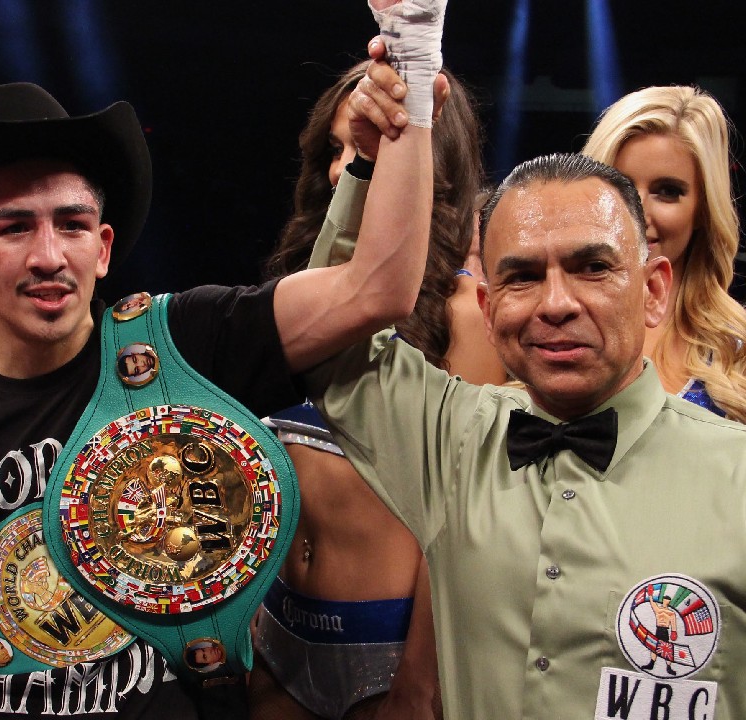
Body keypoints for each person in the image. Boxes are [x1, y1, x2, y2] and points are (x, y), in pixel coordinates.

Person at [0, 3, 447, 716]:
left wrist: (414, 64)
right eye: (14, 228)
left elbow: (376, 290)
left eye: (72, 224)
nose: (48, 256)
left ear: (104, 247)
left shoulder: (181, 342)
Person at [304, 148, 746, 718]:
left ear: (654, 291)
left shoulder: (737, 475)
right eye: (523, 277)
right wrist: (372, 161)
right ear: (488, 311)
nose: (556, 304)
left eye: (592, 267)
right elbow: (332, 340)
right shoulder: (454, 439)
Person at [252, 60, 502, 720]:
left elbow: (466, 522)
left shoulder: (464, 316)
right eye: (336, 150)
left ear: (429, 164)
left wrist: (421, 679)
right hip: (277, 633)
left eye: (368, 149)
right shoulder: (296, 293)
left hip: (384, 651)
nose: (344, 169)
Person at [581, 85, 746, 421]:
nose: (637, 212)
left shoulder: (737, 348)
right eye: (618, 186)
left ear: (702, 210)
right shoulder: (536, 324)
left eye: (667, 191)